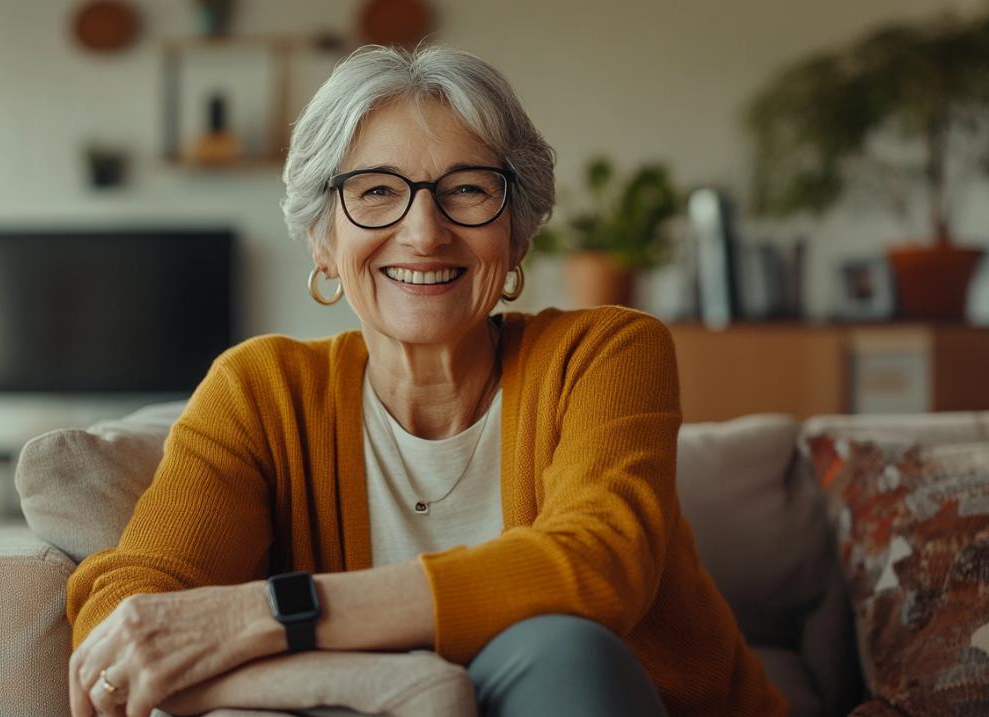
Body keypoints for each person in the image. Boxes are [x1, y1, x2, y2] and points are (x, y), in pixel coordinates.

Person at [66, 45, 788, 717]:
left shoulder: (605, 353)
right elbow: (125, 614)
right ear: (323, 239)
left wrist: (271, 616)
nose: (424, 231)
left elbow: (599, 567)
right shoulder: (262, 391)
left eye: (468, 190)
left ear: (518, 233)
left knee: (562, 644)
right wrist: (382, 682)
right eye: (376, 191)